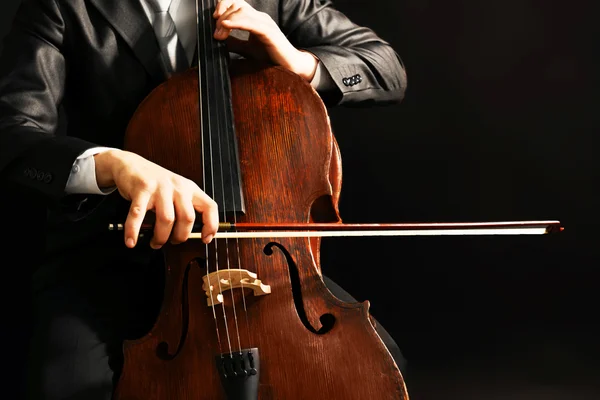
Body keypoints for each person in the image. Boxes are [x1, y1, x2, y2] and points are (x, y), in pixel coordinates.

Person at [0, 0, 407, 398]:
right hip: (111, 254)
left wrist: (299, 62)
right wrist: (112, 165)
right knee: (69, 387)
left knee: (371, 366)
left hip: (257, 258)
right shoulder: (60, 6)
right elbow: (13, 132)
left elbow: (386, 69)